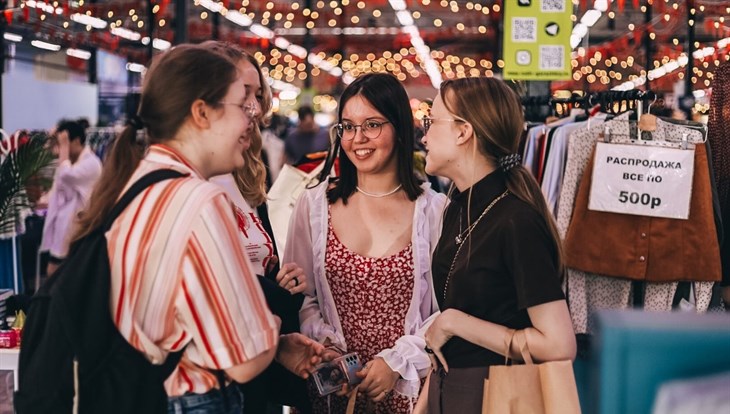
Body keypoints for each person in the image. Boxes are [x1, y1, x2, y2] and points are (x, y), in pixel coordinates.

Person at [70, 44, 323, 413]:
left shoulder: (139, 184)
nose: (251, 118)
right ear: (202, 113)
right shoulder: (199, 201)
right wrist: (270, 329)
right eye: (241, 104)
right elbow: (242, 359)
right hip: (192, 399)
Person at [284, 73, 447, 413]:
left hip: (409, 393)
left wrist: (397, 362)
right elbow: (303, 296)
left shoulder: (433, 211)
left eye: (372, 125)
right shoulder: (314, 206)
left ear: (400, 129)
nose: (358, 138)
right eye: (348, 126)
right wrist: (326, 345)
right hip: (334, 392)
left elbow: (445, 311)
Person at [416, 77, 576, 413]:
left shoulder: (516, 221)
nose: (424, 136)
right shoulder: (458, 206)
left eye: (431, 122)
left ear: (463, 132)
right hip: (450, 391)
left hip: (501, 396)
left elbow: (559, 344)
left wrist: (455, 323)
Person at [204, 40, 313, 414]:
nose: (254, 107)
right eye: (243, 94)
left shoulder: (248, 174)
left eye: (257, 94)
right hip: (216, 375)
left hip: (258, 357)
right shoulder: (191, 183)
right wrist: (278, 298)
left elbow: (262, 266)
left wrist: (285, 281)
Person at [40, 119, 102, 276]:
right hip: (63, 228)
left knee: (62, 276)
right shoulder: (69, 162)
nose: (60, 147)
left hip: (78, 229)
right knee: (53, 273)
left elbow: (66, 175)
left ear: (76, 141)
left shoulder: (91, 163)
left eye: (64, 142)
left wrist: (64, 150)